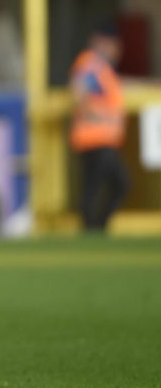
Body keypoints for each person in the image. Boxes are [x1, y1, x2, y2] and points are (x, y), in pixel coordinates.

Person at [69, 23, 129, 232]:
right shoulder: (91, 64)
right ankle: (93, 227)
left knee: (97, 186)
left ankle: (94, 228)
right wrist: (95, 115)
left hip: (102, 138)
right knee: (112, 184)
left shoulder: (103, 68)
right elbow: (79, 93)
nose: (116, 49)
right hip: (94, 138)